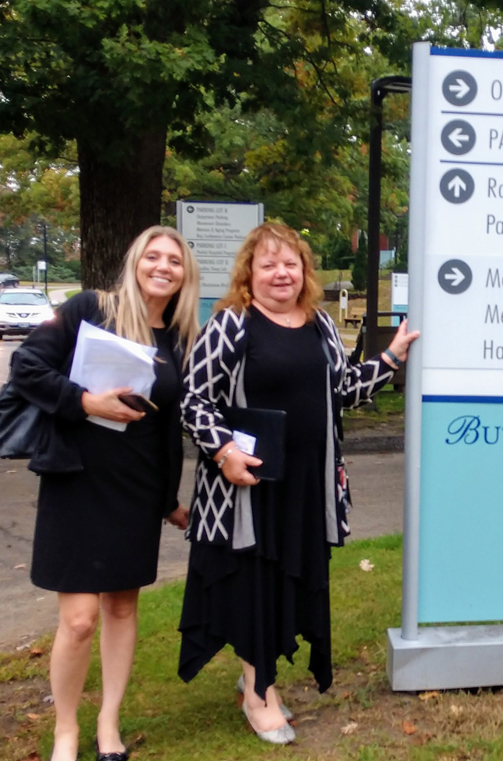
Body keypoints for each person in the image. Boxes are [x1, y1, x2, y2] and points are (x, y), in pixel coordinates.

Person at [177, 223, 418, 744]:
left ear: (304, 271)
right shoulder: (230, 324)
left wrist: (392, 357)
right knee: (253, 585)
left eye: (290, 264)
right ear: (249, 273)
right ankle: (257, 692)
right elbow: (193, 400)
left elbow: (343, 389)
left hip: (307, 485)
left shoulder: (320, 324)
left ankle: (260, 676)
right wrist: (224, 452)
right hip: (248, 486)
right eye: (268, 265)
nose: (281, 273)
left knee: (286, 583)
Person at [11, 226, 200, 761]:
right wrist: (85, 402)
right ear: (135, 262)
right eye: (153, 256)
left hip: (135, 490)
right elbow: (26, 367)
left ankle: (108, 722)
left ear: (185, 275)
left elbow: (167, 432)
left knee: (120, 608)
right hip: (76, 481)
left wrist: (168, 500)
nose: (163, 267)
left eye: (174, 261)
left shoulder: (179, 338)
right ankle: (65, 730)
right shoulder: (89, 309)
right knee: (78, 621)